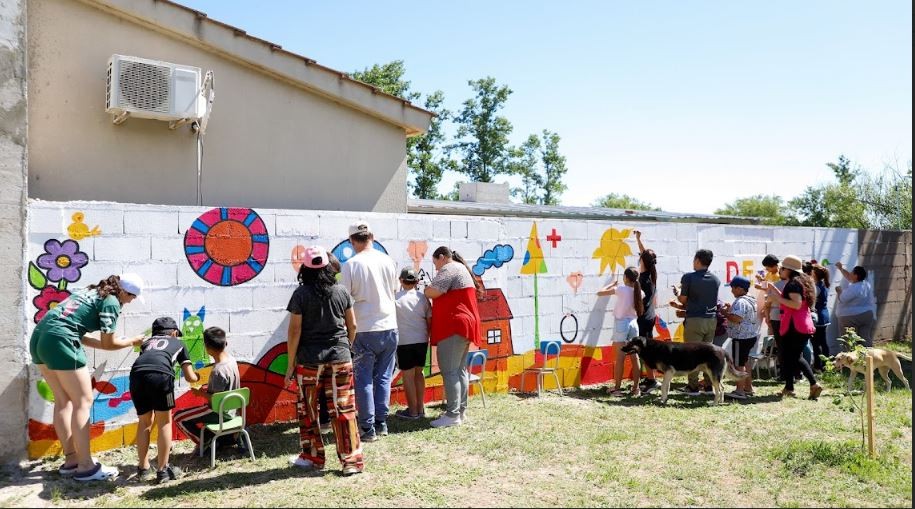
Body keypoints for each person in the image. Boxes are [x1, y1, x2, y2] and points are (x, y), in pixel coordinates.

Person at [29, 273, 145, 482]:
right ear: (124, 292)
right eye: (132, 296)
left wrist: (115, 343)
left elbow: (80, 333)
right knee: (83, 401)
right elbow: (109, 344)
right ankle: (86, 467)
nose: (131, 301)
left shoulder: (91, 291)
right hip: (61, 341)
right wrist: (132, 341)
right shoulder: (111, 302)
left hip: (41, 337)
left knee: (63, 401)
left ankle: (72, 460)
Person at [282, 247, 362, 475]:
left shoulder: (300, 295)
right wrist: (347, 346)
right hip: (340, 358)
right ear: (328, 266)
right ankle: (351, 462)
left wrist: (290, 365)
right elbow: (352, 325)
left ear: (305, 268)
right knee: (344, 409)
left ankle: (312, 457)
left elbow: (294, 331)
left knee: (308, 410)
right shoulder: (341, 292)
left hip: (309, 361)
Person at [340, 221, 399, 442]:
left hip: (364, 327)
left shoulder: (351, 265)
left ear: (351, 241)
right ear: (371, 237)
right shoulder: (388, 261)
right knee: (384, 377)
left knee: (364, 379)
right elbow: (394, 289)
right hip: (389, 325)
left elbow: (345, 298)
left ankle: (367, 428)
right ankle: (381, 422)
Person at [130, 316, 199, 483]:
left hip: (136, 376)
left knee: (144, 422)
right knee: (164, 422)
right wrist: (196, 377)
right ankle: (162, 470)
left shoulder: (146, 344)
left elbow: (146, 361)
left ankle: (143, 467)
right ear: (174, 333)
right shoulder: (179, 344)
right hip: (161, 376)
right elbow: (190, 377)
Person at [424, 246, 483, 428]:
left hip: (454, 325)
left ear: (442, 257)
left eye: (436, 263)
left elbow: (433, 292)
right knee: (459, 370)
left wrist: (426, 289)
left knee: (450, 371)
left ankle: (452, 415)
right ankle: (460, 411)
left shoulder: (449, 268)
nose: (436, 269)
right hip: (465, 324)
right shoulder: (461, 268)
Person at [173, 327, 241, 457]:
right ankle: (216, 440)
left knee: (179, 417)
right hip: (233, 410)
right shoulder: (231, 360)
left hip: (219, 411)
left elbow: (215, 399)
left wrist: (200, 393)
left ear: (207, 348)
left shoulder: (218, 371)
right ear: (225, 343)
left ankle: (206, 442)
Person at [765, 255, 823, 400]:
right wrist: (776, 292)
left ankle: (814, 384)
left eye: (783, 268)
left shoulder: (793, 284)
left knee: (794, 357)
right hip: (802, 324)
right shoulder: (802, 281)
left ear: (789, 270)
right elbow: (793, 301)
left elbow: (795, 304)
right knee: (790, 356)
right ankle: (789, 388)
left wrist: (776, 298)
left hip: (794, 326)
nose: (780, 270)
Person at [675, 249, 720, 395]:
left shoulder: (688, 277)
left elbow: (683, 299)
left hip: (695, 320)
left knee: (691, 354)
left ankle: (693, 386)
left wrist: (677, 292)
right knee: (708, 354)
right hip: (711, 320)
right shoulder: (715, 279)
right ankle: (708, 385)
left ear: (697, 260)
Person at [598, 267, 643, 397]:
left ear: (626, 278)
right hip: (634, 324)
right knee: (635, 357)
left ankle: (617, 388)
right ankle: (636, 388)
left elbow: (600, 293)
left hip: (621, 324)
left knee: (620, 357)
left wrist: (612, 285)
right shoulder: (639, 291)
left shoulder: (621, 290)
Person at [394, 268, 431, 420]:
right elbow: (429, 318)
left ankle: (413, 411)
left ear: (401, 281)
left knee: (408, 376)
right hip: (422, 340)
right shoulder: (422, 298)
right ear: (417, 282)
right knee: (419, 373)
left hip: (404, 341)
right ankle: (420, 408)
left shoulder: (395, 298)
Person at [722, 276, 758, 400]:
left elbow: (737, 318)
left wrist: (725, 313)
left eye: (733, 288)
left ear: (739, 288)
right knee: (745, 362)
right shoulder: (750, 299)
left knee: (739, 364)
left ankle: (739, 391)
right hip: (750, 336)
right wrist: (731, 309)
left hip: (741, 337)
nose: (731, 291)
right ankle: (748, 387)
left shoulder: (740, 301)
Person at [633, 231, 659, 394]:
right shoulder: (650, 274)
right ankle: (650, 378)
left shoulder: (643, 280)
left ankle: (652, 380)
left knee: (646, 351)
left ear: (642, 261)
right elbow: (645, 254)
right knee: (646, 349)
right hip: (649, 317)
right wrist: (638, 239)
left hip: (644, 318)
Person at [834, 262, 877, 347]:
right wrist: (841, 269)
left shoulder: (854, 288)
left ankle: (849, 358)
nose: (850, 273)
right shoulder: (865, 284)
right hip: (867, 315)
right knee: (865, 338)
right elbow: (849, 278)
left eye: (852, 272)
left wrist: (839, 291)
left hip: (850, 317)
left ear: (856, 276)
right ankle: (869, 357)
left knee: (848, 340)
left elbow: (842, 298)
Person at [810, 264, 831, 371]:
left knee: (816, 343)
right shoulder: (822, 285)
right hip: (824, 315)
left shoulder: (816, 287)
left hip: (818, 316)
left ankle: (818, 366)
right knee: (823, 342)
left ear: (815, 274)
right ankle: (827, 364)